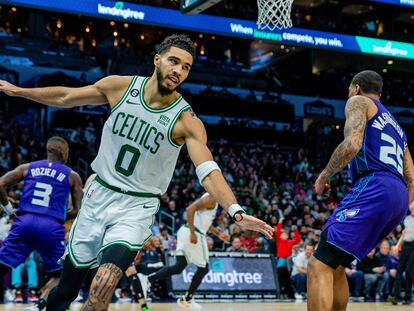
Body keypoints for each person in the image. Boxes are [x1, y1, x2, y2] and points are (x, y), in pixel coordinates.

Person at [0, 34, 274, 310]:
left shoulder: (186, 121)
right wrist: (20, 91)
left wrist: (236, 210)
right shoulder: (120, 87)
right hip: (98, 198)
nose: (178, 71)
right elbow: (67, 96)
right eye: (174, 61)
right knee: (66, 292)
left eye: (186, 67)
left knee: (104, 282)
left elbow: (208, 170)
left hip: (136, 207)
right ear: (157, 60)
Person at [309, 70, 414, 311]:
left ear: (356, 88)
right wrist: (397, 207)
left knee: (318, 264)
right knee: (335, 265)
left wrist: (325, 174)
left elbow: (352, 143)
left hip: (376, 185)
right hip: (398, 196)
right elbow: (412, 178)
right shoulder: (398, 128)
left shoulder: (358, 101)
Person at [0, 136, 83, 310]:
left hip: (24, 221)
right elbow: (77, 210)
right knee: (62, 275)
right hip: (51, 227)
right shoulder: (72, 175)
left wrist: (8, 209)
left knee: (2, 265)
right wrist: (57, 216)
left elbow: (1, 183)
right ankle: (37, 307)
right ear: (63, 152)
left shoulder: (27, 168)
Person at [144, 193, 229, 310]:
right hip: (193, 234)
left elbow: (205, 224)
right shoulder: (212, 198)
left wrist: (219, 234)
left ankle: (148, 279)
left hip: (185, 231)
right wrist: (193, 233)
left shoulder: (212, 201)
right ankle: (187, 299)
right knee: (203, 269)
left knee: (179, 266)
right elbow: (190, 209)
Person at [389, 201, 414, 305]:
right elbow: (404, 234)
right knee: (399, 270)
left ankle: (408, 298)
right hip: (405, 246)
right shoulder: (407, 219)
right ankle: (395, 296)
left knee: (409, 272)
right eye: (412, 208)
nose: (412, 209)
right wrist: (397, 245)